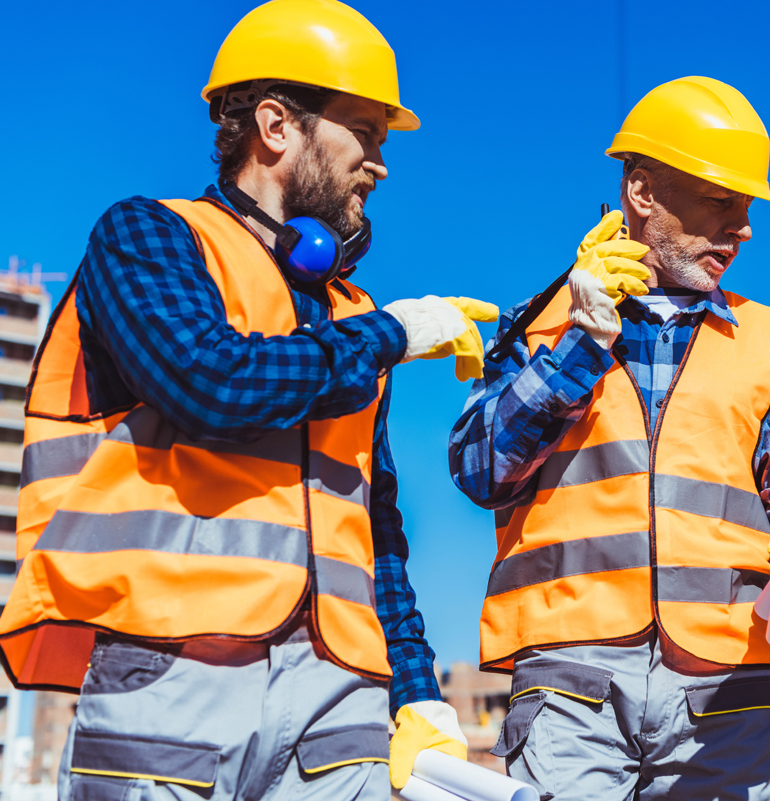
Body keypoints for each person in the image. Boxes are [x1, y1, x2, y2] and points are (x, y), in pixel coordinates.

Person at [0, 1, 493, 798]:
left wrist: (418, 689)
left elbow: (375, 523)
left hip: (341, 686)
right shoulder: (151, 237)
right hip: (171, 672)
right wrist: (390, 338)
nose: (381, 161)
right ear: (275, 125)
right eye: (365, 131)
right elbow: (210, 380)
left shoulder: (351, 314)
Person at [449, 76, 770, 801]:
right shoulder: (544, 322)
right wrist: (581, 342)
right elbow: (480, 468)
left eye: (748, 205)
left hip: (726, 688)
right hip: (572, 687)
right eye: (721, 200)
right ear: (641, 192)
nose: (745, 226)